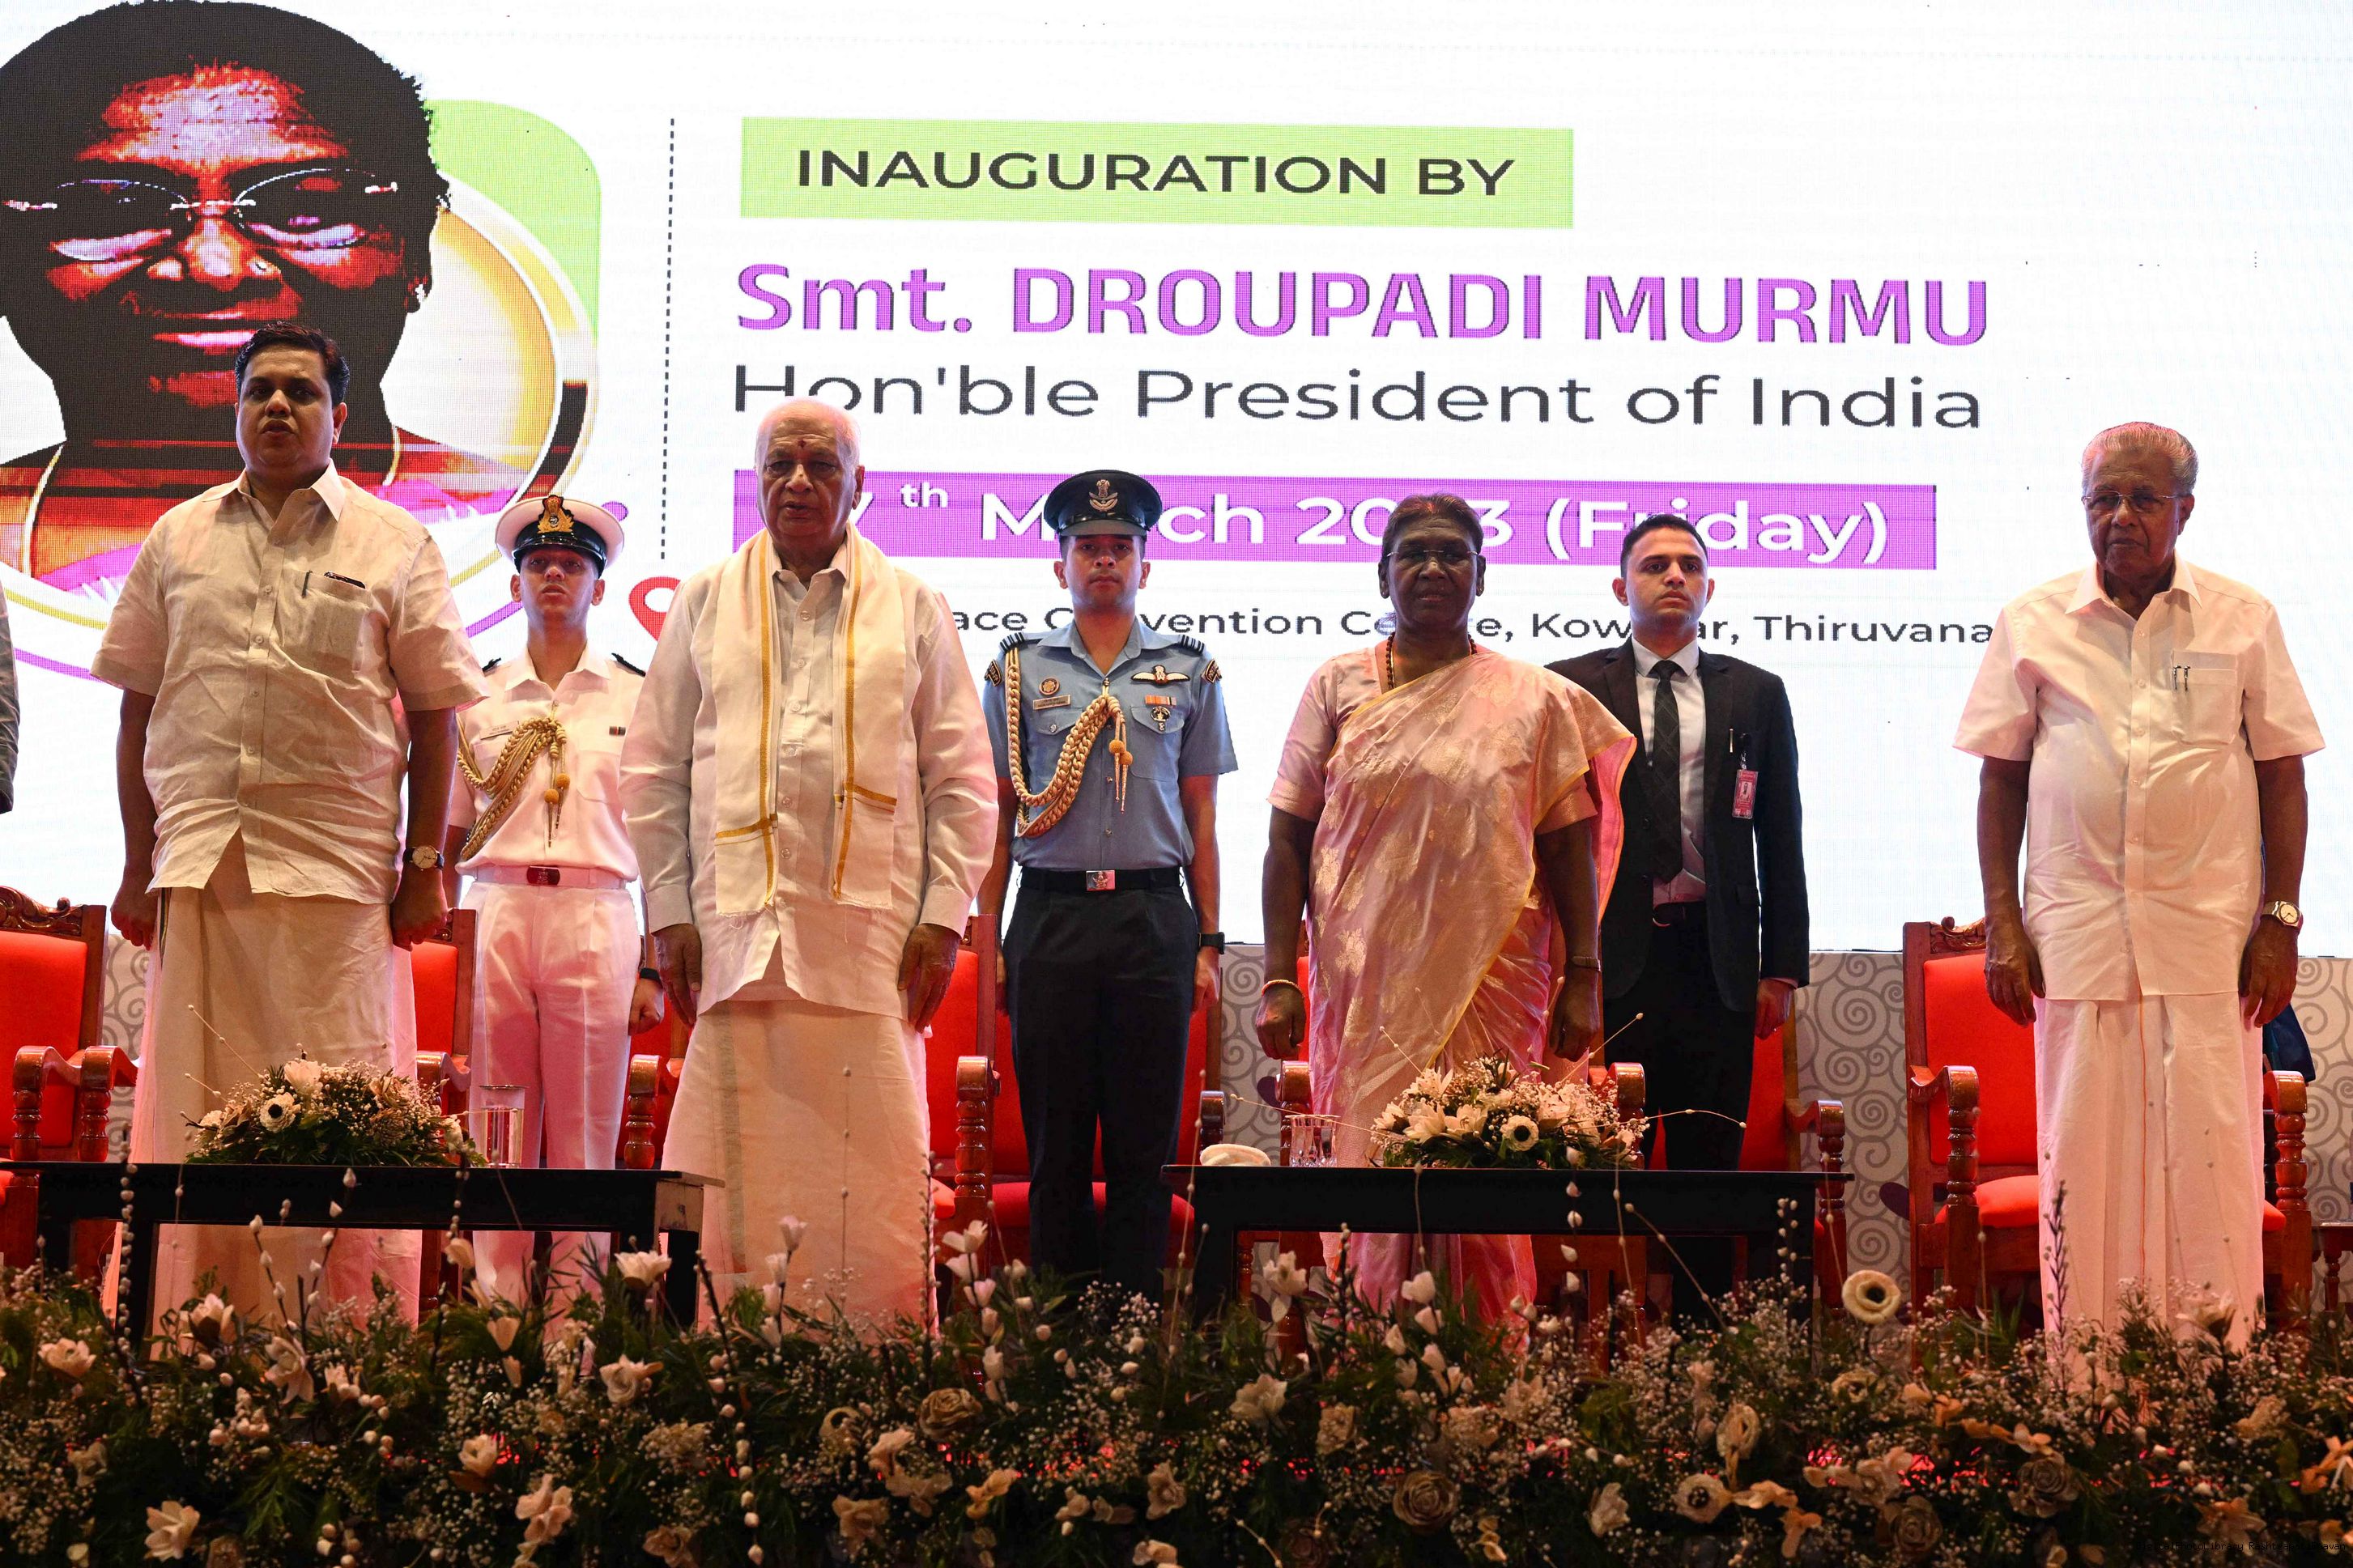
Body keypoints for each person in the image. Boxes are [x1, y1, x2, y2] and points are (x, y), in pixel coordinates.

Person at [91, 321, 485, 1321]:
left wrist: (425, 867)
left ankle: (340, 1346)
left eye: (300, 392)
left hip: (338, 881)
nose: (276, 405)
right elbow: (138, 710)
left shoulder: (396, 542)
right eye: (258, 389)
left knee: (337, 1117)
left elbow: (435, 717)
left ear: (339, 416)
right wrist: (134, 864)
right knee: (191, 1112)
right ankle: (184, 1332)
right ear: (234, 408)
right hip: (202, 868)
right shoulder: (177, 536)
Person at [620, 397, 994, 1321]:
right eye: (779, 464)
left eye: (821, 465)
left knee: (870, 1186)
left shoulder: (913, 605)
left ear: (859, 486)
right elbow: (655, 768)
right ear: (755, 482)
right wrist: (669, 911)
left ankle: (874, 1369)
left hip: (871, 952)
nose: (798, 481)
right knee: (727, 1183)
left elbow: (962, 778)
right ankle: (723, 1369)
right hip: (733, 940)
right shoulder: (705, 600)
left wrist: (943, 918)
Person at [1957, 422, 2319, 1344]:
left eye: (2142, 499)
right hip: (2075, 938)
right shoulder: (2033, 620)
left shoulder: (2241, 616)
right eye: (2102, 500)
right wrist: (2003, 923)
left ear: (2183, 510)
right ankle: (2086, 1384)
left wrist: (2279, 920)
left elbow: (2281, 772)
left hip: (2210, 943)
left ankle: (2214, 1389)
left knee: (2211, 1171)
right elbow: (2000, 778)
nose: (2119, 516)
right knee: (2082, 1166)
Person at [1255, 493, 1634, 1315]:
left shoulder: (1534, 699)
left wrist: (1582, 973)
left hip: (1493, 980)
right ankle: (1374, 1359)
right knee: (1373, 1172)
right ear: (1382, 574)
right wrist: (1280, 975)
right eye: (1414, 554)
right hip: (1368, 984)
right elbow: (1287, 839)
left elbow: (1568, 847)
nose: (1432, 568)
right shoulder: (1336, 684)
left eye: (1452, 554)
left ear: (1481, 575)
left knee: (1487, 1169)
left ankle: (1489, 1365)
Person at [0, 0, 525, 589]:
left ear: (414, 252)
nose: (215, 267)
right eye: (115, 208)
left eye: (304, 205)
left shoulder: (518, 529)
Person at [975, 470, 1236, 1299]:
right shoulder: (1015, 670)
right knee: (1054, 1147)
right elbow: (997, 813)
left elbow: (1201, 815)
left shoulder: (1189, 669)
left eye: (1120, 546)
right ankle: (1056, 1332)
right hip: (1049, 915)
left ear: (1145, 565)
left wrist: (1209, 939)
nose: (1103, 560)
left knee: (1142, 1147)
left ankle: (1131, 1331)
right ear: (1059, 564)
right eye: (1086, 546)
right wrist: (989, 938)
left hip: (1151, 914)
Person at [1551, 514, 1809, 1319]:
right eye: (1654, 564)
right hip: (1605, 961)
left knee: (1706, 1170)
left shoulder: (1753, 692)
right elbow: (1545, 833)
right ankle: (1595, 1347)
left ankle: (1700, 1356)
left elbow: (1780, 832)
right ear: (1618, 586)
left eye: (1689, 566)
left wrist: (1780, 968)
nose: (1673, 577)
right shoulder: (1569, 687)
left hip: (1716, 961)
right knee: (1597, 1165)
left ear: (1709, 588)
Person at [444, 495, 662, 1300]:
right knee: (497, 1122)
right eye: (539, 564)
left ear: (599, 587)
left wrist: (652, 967)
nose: (555, 577)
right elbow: (450, 830)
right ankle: (496, 1307)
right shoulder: (479, 695)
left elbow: (660, 838)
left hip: (596, 912)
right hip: (499, 908)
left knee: (585, 1130)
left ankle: (578, 1319)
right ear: (515, 584)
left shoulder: (636, 695)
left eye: (572, 565)